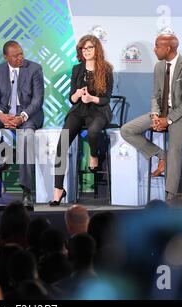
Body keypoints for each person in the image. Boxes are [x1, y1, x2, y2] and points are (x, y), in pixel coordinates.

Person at [120, 34, 182, 201]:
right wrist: (156, 115)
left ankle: (170, 197)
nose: (154, 49)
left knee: (175, 150)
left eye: (157, 46)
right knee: (127, 130)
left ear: (168, 48)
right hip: (162, 113)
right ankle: (160, 155)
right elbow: (155, 95)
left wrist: (168, 119)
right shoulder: (159, 67)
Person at [0, 40, 44, 207]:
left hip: (28, 114)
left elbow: (38, 100)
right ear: (6, 57)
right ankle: (6, 154)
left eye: (21, 54)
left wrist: (22, 116)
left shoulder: (34, 69)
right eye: (15, 55)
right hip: (5, 112)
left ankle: (26, 191)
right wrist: (1, 116)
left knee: (26, 138)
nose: (20, 58)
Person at [49, 34, 113, 206]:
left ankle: (93, 155)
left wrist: (92, 98)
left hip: (98, 110)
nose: (86, 51)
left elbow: (107, 98)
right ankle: (58, 191)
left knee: (93, 131)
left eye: (90, 47)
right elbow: (71, 98)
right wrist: (77, 94)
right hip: (79, 110)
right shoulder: (77, 69)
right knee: (61, 144)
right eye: (83, 48)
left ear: (97, 49)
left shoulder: (106, 69)